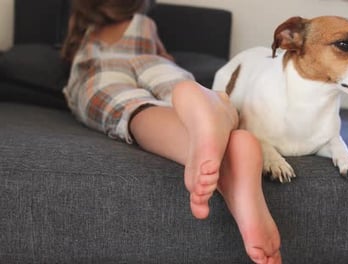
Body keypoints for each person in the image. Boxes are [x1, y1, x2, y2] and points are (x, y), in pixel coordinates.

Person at [61, 0, 281, 262]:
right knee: (175, 89)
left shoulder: (88, 34)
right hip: (152, 63)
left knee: (134, 109)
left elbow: (68, 62)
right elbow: (164, 58)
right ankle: (213, 110)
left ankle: (196, 139)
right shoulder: (144, 24)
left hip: (101, 71)